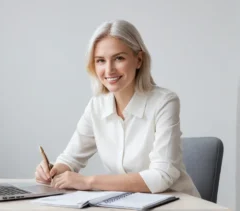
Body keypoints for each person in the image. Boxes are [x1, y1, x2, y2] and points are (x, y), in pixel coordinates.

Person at [35, 19, 200, 197]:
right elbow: (71, 158)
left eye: (119, 58)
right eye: (100, 61)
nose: (109, 70)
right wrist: (53, 172)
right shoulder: (97, 106)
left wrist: (88, 182)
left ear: (138, 59)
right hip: (129, 203)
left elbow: (161, 176)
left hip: (176, 202)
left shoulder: (164, 102)